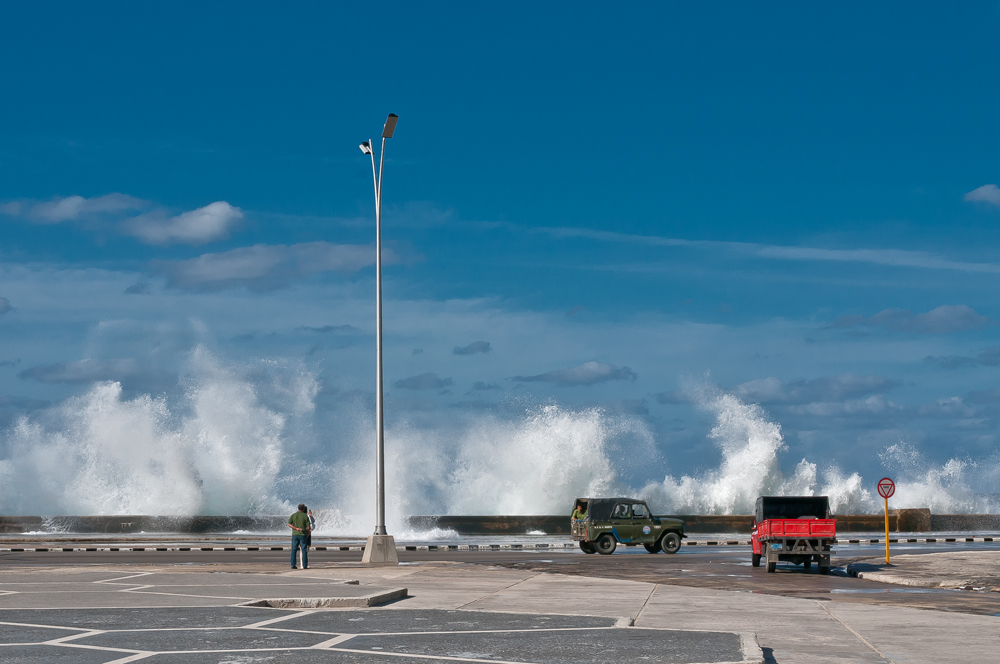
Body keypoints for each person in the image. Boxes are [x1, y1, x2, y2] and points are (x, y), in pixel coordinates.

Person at [287, 503, 311, 569]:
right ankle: (304, 565)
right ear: (303, 509)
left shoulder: (293, 515)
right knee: (304, 550)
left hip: (295, 534)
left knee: (294, 550)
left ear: (298, 508)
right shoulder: (305, 516)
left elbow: (289, 524)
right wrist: (308, 534)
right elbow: (308, 527)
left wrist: (296, 528)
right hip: (303, 534)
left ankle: (293, 564)